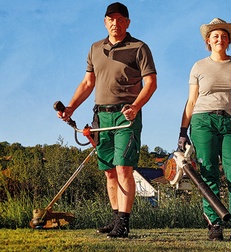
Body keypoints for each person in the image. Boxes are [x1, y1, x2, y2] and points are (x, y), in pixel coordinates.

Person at [57, 2, 157, 238]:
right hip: (100, 116)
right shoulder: (94, 48)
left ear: (127, 23)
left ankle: (124, 223)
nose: (115, 23)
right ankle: (115, 220)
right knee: (109, 171)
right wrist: (71, 107)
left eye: (120, 19)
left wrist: (135, 106)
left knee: (124, 167)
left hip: (126, 115)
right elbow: (87, 83)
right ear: (105, 22)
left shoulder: (139, 48)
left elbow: (151, 83)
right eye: (110, 19)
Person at [177, 18, 231, 244]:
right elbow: (191, 100)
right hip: (202, 121)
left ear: (229, 40)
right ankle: (214, 224)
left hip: (229, 123)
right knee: (209, 173)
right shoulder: (198, 66)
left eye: (224, 36)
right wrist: (183, 131)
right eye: (215, 36)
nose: (220, 39)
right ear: (208, 40)